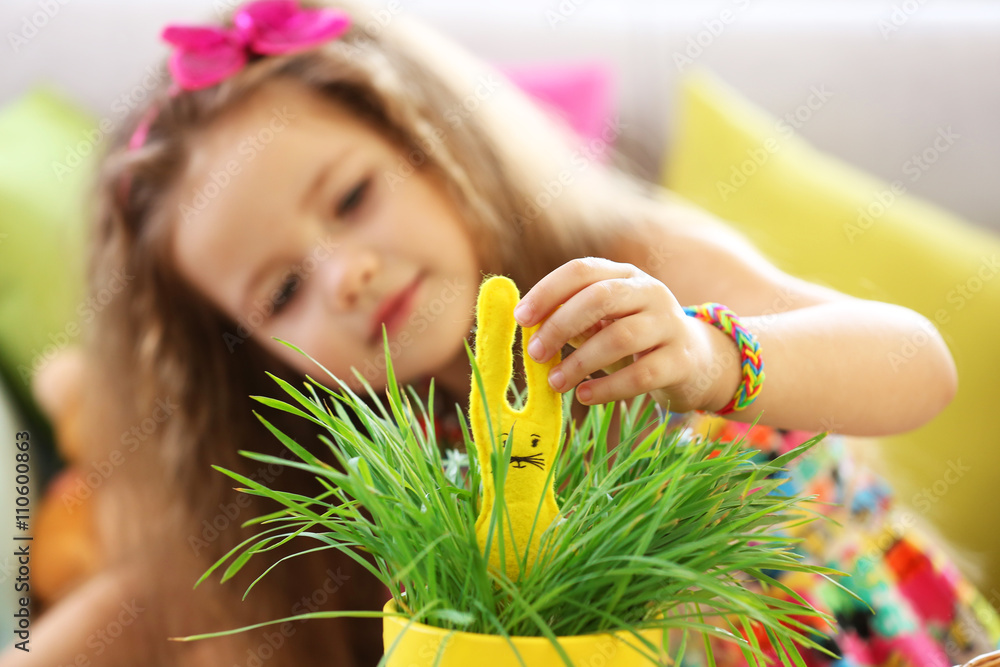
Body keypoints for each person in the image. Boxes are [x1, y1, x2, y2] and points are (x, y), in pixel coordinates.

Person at [5, 0, 998, 665]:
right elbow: (156, 599)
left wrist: (705, 355)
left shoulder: (631, 262)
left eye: (351, 197)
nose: (345, 273)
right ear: (259, 359)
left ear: (431, 145)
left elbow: (918, 363)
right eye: (281, 292)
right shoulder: (363, 470)